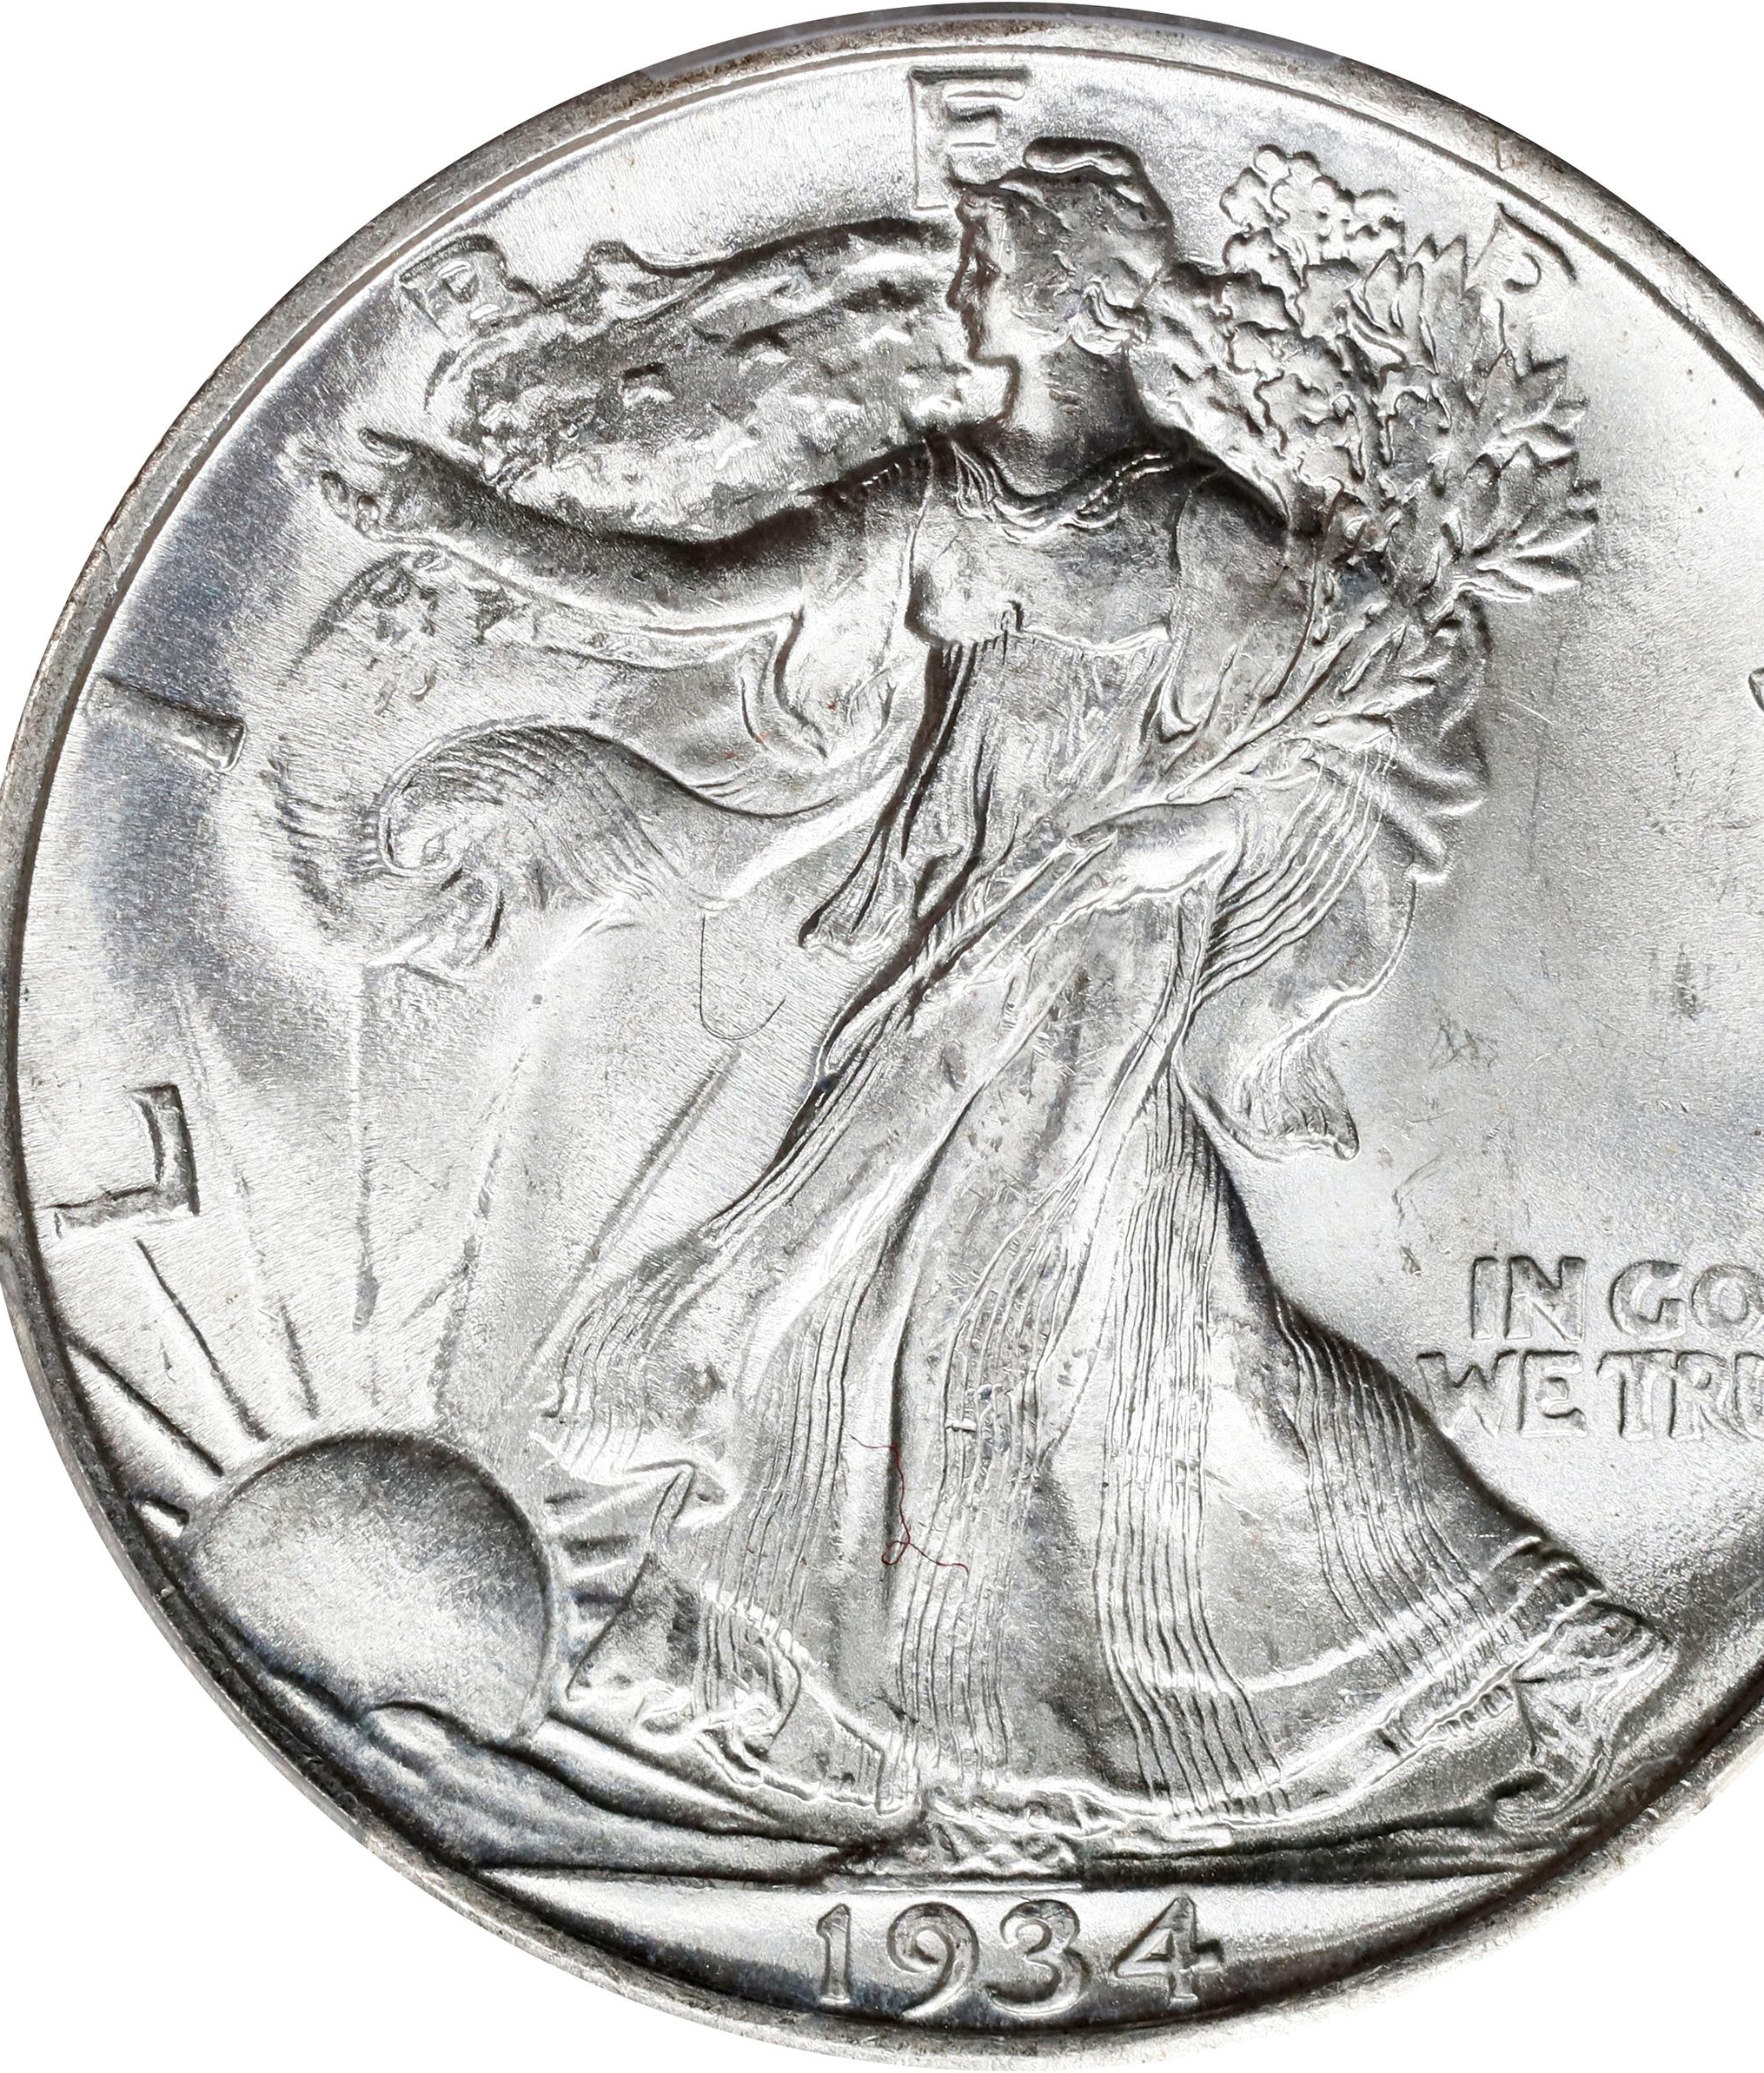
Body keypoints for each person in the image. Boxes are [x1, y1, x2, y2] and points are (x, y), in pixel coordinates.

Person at [315, 138, 1668, 1870]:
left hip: (1091, 973)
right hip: (958, 957)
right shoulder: (943, 493)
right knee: (1121, 1346)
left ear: (1089, 295)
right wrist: (456, 517)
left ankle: (1012, 1775)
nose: (960, 280)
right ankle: (1496, 1658)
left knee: (978, 1332)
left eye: (995, 253)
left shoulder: (1197, 534)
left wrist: (1172, 838)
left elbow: (1325, 759)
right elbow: (695, 596)